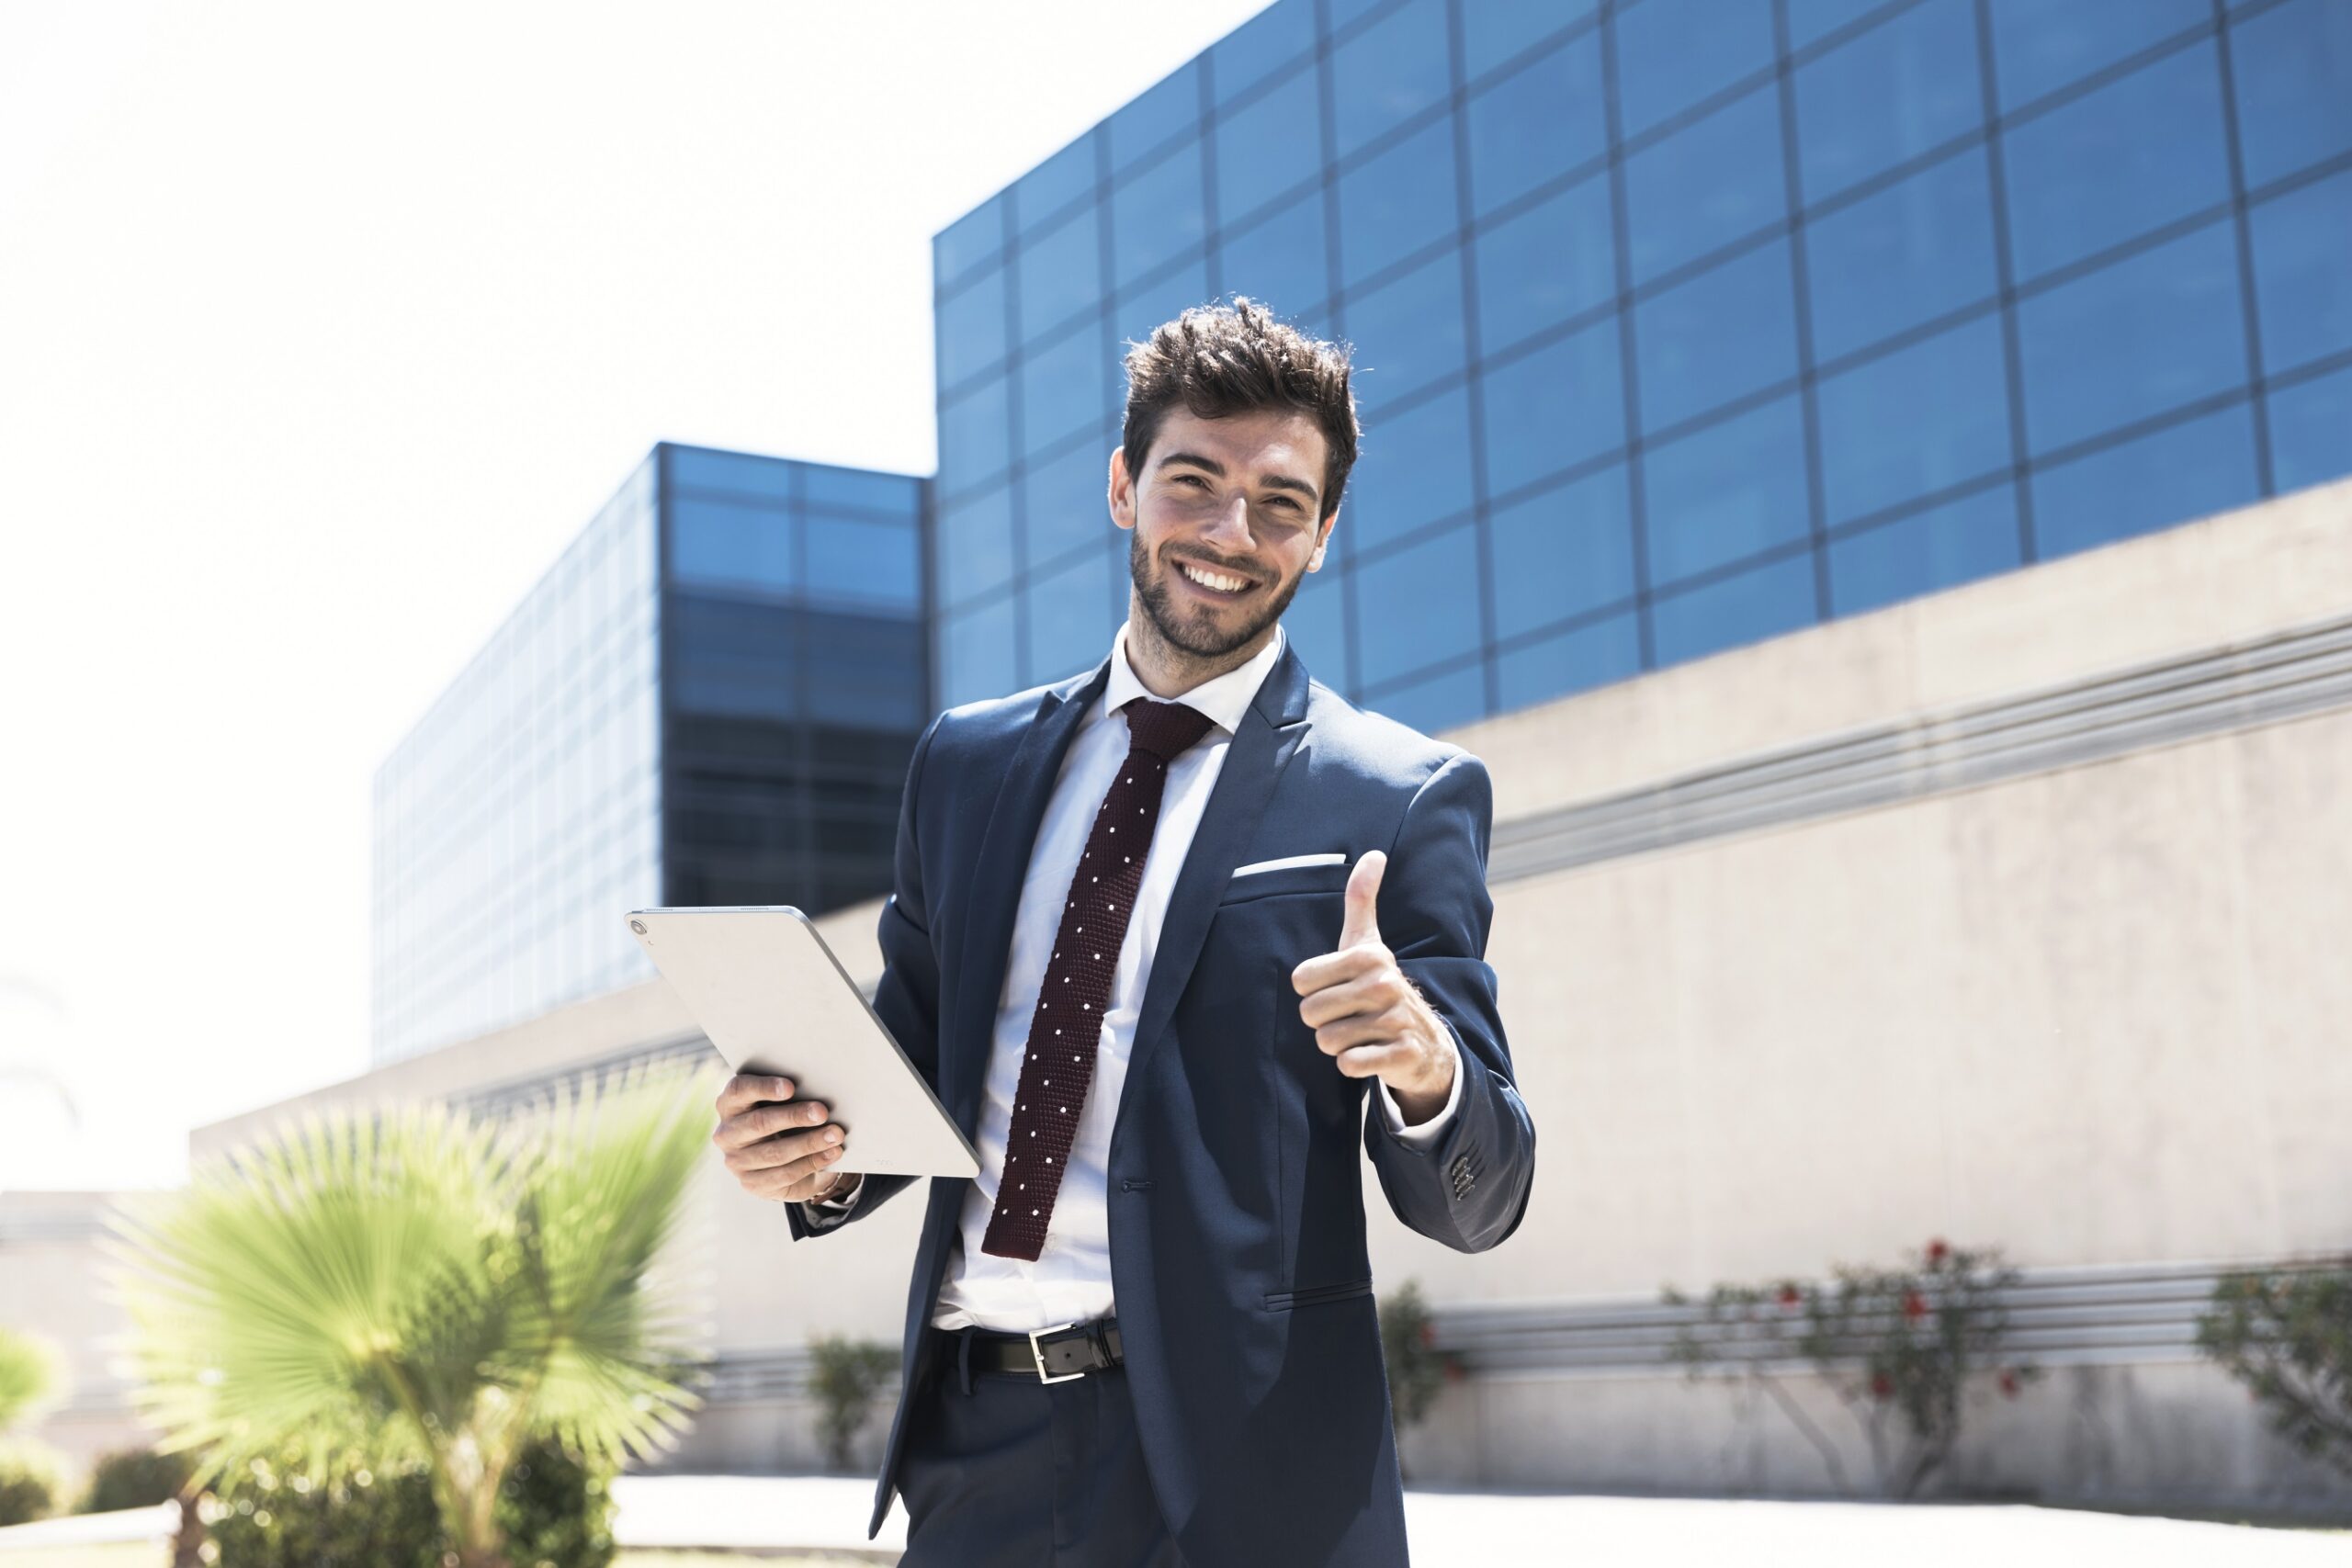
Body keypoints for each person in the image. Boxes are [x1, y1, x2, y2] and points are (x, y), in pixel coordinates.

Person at [709, 297, 1537, 1567]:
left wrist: (1424, 1067)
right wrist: (807, 1154)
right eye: (1193, 481)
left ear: (1322, 536)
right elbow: (912, 1071)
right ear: (1121, 486)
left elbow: (1482, 1197)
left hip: (1248, 1473)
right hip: (979, 1446)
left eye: (1281, 502)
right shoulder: (967, 770)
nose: (1229, 532)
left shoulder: (1397, 796)